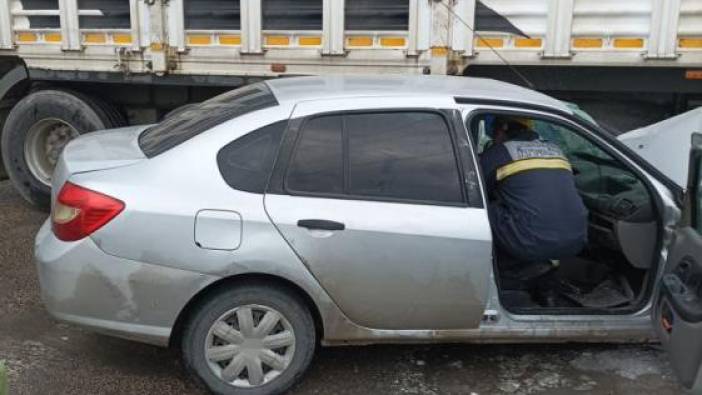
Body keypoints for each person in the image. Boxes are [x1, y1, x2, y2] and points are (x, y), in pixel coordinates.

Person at [479, 116, 588, 301]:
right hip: (576, 240)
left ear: (501, 130)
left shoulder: (500, 152)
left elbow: (474, 185)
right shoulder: (556, 150)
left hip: (529, 242)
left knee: (478, 207)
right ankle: (544, 275)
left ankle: (511, 272)